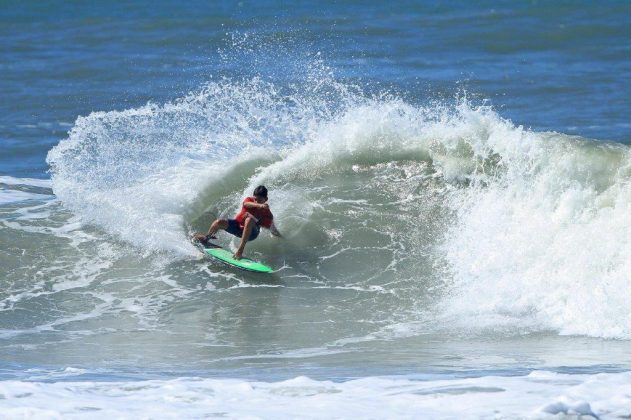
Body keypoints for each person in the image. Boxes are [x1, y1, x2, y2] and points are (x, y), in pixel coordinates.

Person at [193, 185, 281, 260]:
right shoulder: (249, 200)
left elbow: (272, 228)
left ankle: (240, 249)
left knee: (249, 219)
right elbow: (246, 204)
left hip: (251, 234)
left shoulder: (267, 214)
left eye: (260, 200)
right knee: (218, 222)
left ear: (266, 199)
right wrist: (260, 205)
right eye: (255, 199)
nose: (257, 201)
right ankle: (206, 239)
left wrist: (281, 237)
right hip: (238, 227)